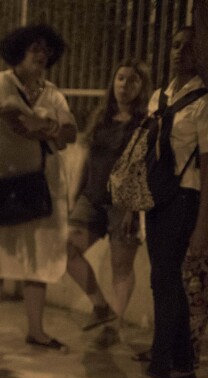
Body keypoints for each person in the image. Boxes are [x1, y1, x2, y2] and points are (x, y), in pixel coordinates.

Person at [0, 24, 76, 357]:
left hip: (42, 184)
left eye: (46, 50)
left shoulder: (53, 92)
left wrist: (45, 125)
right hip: (1, 182)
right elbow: (14, 122)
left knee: (40, 256)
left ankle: (36, 330)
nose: (41, 55)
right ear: (17, 51)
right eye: (34, 48)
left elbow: (71, 133)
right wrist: (50, 126)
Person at [117, 27, 208, 378]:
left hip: (185, 197)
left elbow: (206, 167)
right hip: (156, 196)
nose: (179, 53)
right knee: (165, 276)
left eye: (188, 47)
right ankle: (184, 364)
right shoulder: (159, 97)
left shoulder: (203, 101)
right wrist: (131, 204)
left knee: (163, 279)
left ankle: (160, 365)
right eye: (174, 45)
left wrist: (203, 225)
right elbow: (145, 156)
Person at [65, 60, 151, 348]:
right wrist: (74, 198)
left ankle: (115, 326)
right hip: (92, 198)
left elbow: (144, 169)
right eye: (121, 79)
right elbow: (87, 161)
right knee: (66, 250)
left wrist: (133, 209)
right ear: (113, 83)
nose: (125, 86)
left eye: (132, 81)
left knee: (121, 269)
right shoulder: (101, 118)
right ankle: (101, 307)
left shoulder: (144, 125)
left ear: (141, 88)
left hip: (123, 205)